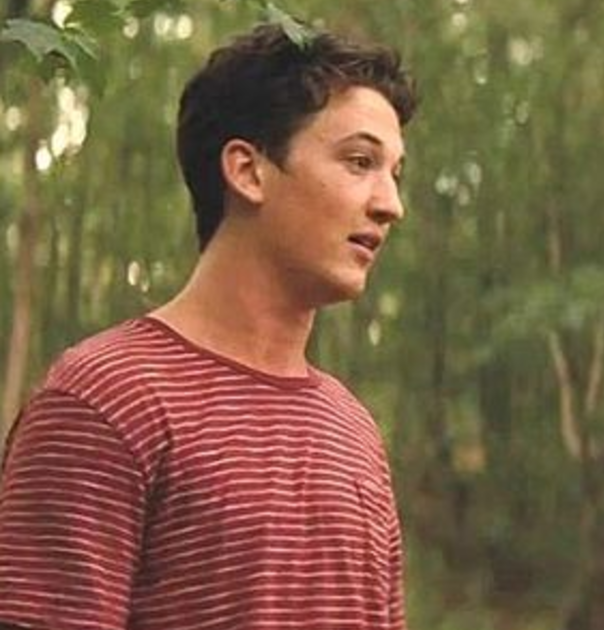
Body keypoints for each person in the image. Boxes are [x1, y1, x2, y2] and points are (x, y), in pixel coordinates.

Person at [0, 23, 416, 629]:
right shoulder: (105, 403)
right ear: (247, 171)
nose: (390, 204)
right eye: (360, 162)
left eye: (394, 173)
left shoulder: (352, 431)